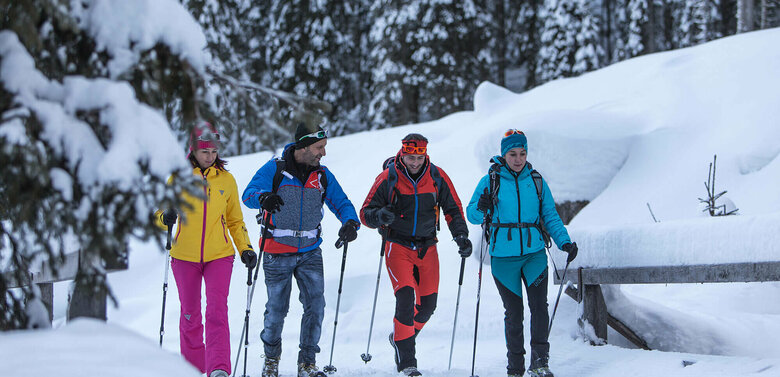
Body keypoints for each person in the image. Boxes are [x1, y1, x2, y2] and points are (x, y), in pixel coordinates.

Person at [241, 122, 360, 377]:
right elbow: (248, 194)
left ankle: (307, 363)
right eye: (319, 147)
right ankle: (271, 359)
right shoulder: (275, 169)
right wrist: (263, 197)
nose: (323, 153)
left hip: (310, 251)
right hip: (276, 251)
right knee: (276, 309)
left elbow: (342, 202)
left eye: (324, 147)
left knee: (316, 306)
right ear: (303, 146)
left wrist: (350, 222)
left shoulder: (323, 176)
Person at [466, 130, 578, 377]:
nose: (518, 159)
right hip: (503, 259)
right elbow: (472, 215)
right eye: (513, 154)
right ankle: (515, 368)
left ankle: (540, 364)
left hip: (534, 254)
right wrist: (481, 207)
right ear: (504, 154)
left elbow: (550, 215)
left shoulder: (536, 181)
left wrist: (564, 242)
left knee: (539, 307)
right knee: (514, 314)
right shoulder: (490, 181)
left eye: (522, 153)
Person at [360, 134, 472, 377]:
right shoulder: (388, 177)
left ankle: (400, 339)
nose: (414, 162)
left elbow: (453, 209)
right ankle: (407, 363)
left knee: (428, 306)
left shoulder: (436, 176)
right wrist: (379, 216)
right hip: (397, 246)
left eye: (419, 157)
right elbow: (365, 212)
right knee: (405, 299)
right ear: (403, 153)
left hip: (427, 247)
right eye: (410, 157)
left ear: (425, 154)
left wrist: (461, 236)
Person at [156, 122, 256, 377]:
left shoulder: (226, 179)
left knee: (216, 312)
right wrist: (165, 217)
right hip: (184, 256)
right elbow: (159, 214)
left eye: (213, 152)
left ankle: (218, 368)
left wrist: (245, 248)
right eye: (204, 152)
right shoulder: (178, 178)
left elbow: (235, 220)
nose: (210, 157)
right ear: (193, 150)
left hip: (219, 255)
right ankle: (193, 368)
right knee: (190, 314)